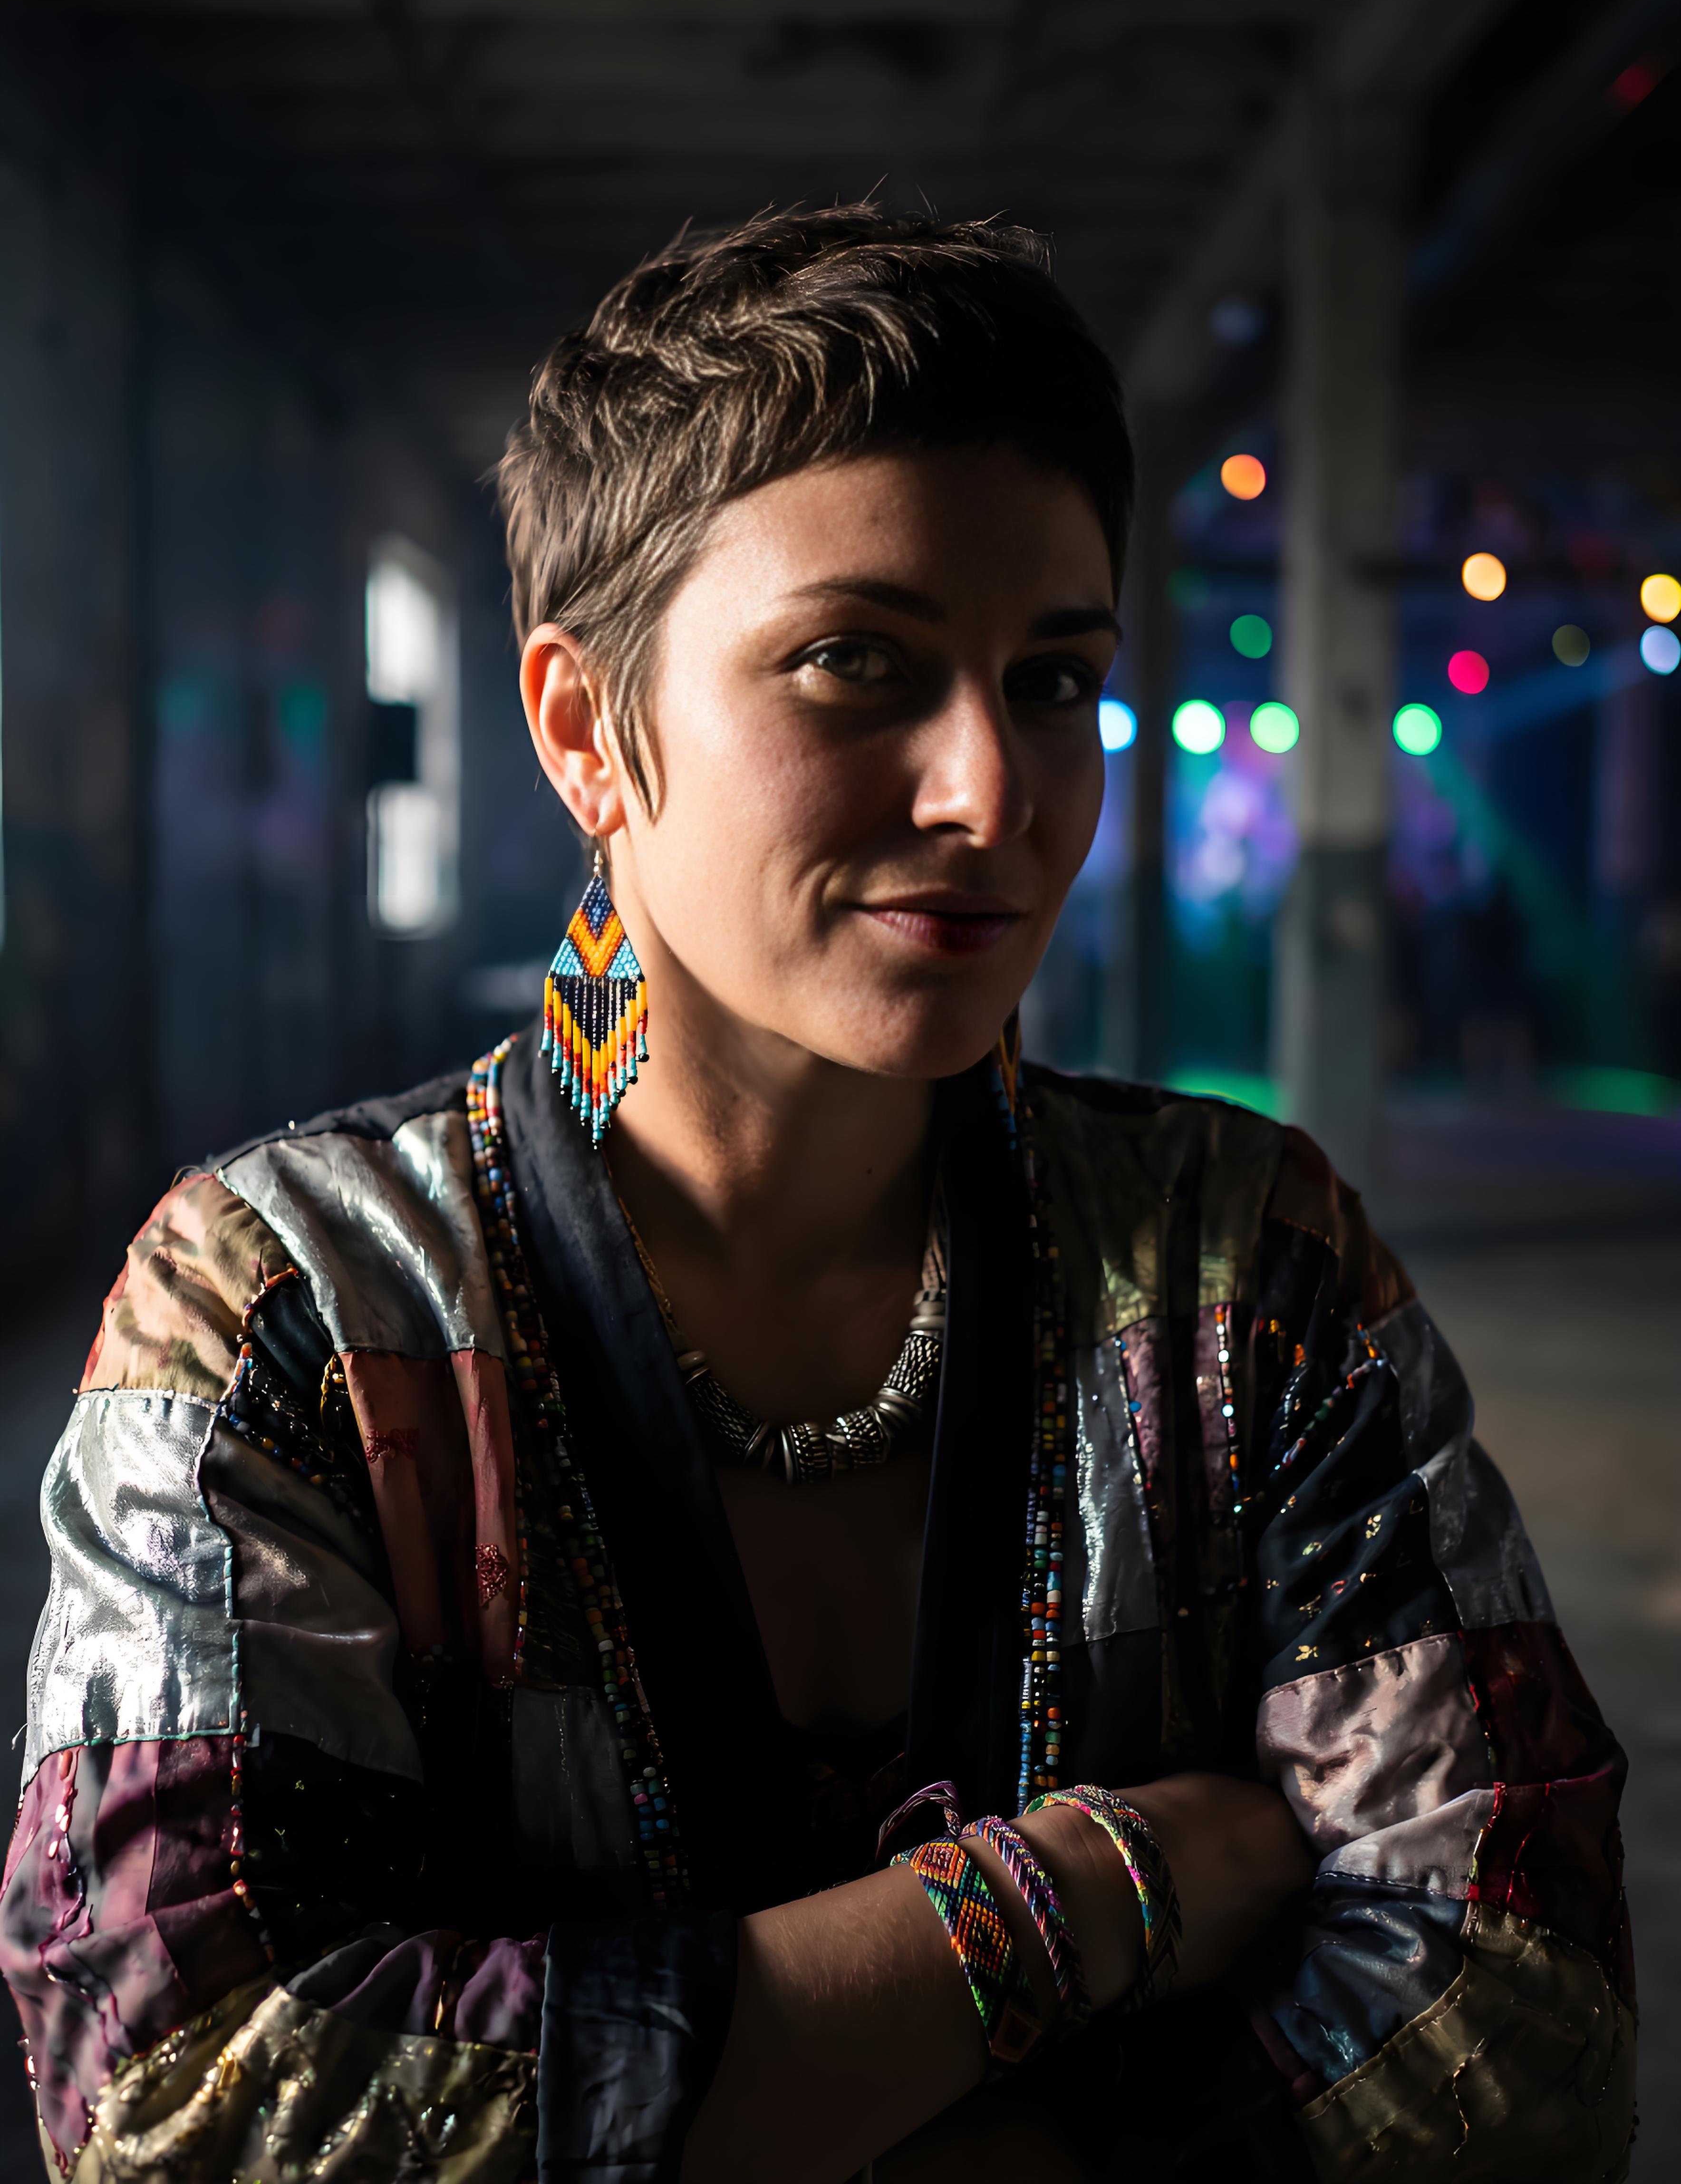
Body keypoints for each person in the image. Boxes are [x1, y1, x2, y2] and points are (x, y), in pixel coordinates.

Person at [1, 207, 1633, 2184]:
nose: (989, 791)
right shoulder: (293, 1314)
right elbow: (191, 2107)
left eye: (1049, 680)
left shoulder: (1241, 1271)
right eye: (855, 664)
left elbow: (1518, 2040)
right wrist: (1077, 1903)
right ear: (588, 732)